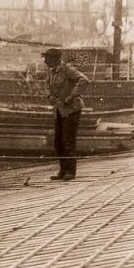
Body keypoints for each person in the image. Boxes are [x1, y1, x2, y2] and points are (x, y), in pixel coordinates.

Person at [43, 48, 89, 180]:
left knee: (68, 140)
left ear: (55, 59)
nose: (45, 61)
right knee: (58, 141)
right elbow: (47, 87)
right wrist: (49, 97)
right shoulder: (51, 72)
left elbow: (84, 80)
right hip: (59, 111)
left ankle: (70, 171)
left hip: (71, 110)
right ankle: (63, 170)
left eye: (47, 58)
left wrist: (72, 95)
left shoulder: (68, 70)